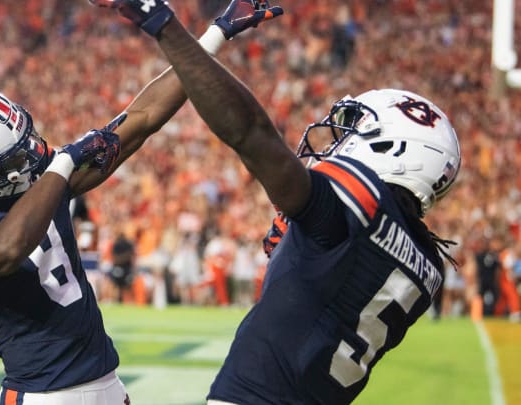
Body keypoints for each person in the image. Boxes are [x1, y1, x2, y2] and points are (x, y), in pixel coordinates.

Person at [0, 3, 281, 403]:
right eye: (10, 158)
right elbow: (2, 250)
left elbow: (141, 118)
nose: (30, 154)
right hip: (42, 395)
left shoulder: (36, 178)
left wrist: (215, 34)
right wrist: (61, 166)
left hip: (107, 385)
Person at [93, 1, 461, 403]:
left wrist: (163, 24)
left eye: (357, 132)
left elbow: (251, 132)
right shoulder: (426, 260)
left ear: (396, 148)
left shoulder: (358, 207)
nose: (341, 143)